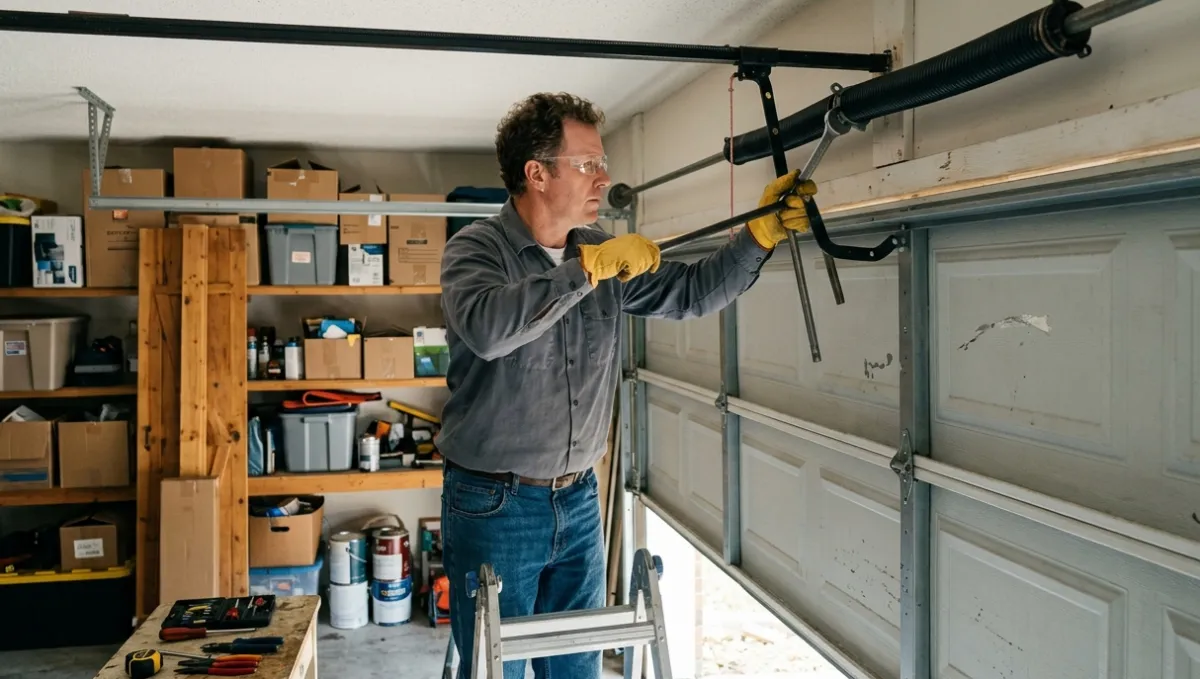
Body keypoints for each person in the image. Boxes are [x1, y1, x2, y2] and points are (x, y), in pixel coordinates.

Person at [436, 92, 816, 679]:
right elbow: (489, 330)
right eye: (588, 164)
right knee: (495, 670)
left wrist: (757, 235)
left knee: (577, 667)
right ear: (537, 174)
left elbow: (691, 292)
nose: (604, 178)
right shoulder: (476, 250)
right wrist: (587, 272)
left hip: (580, 498)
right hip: (495, 504)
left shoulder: (599, 252)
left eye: (601, 162)